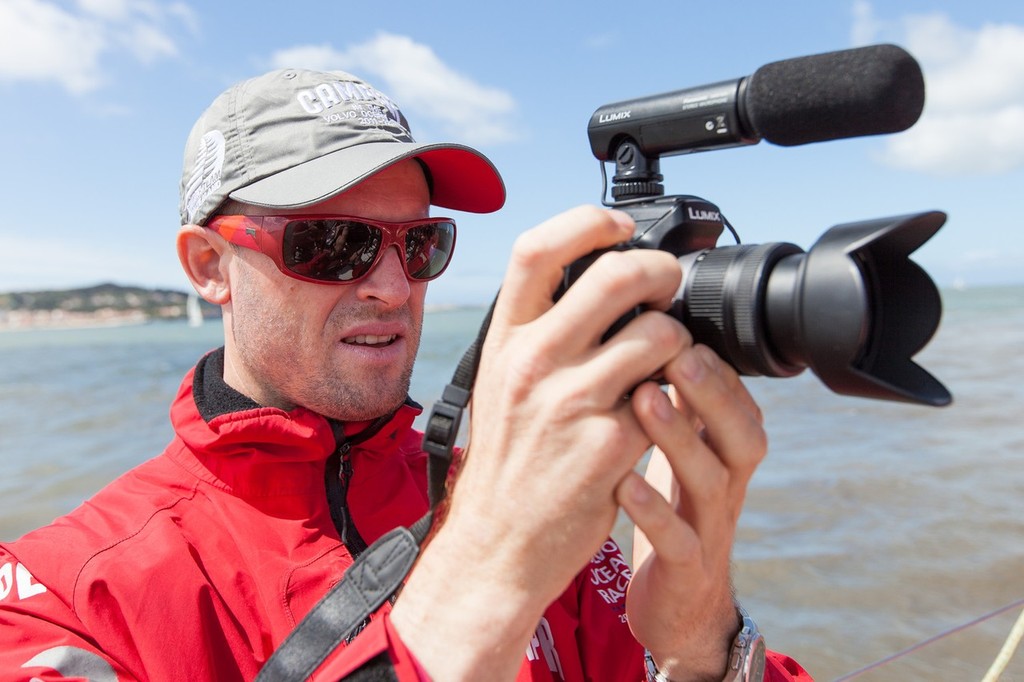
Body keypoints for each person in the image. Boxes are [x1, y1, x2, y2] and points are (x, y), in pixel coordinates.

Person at [0, 68, 811, 681]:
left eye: (419, 246)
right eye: (333, 245)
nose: (391, 286)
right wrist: (485, 574)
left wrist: (704, 646)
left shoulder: (521, 506)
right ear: (210, 264)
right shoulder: (64, 595)